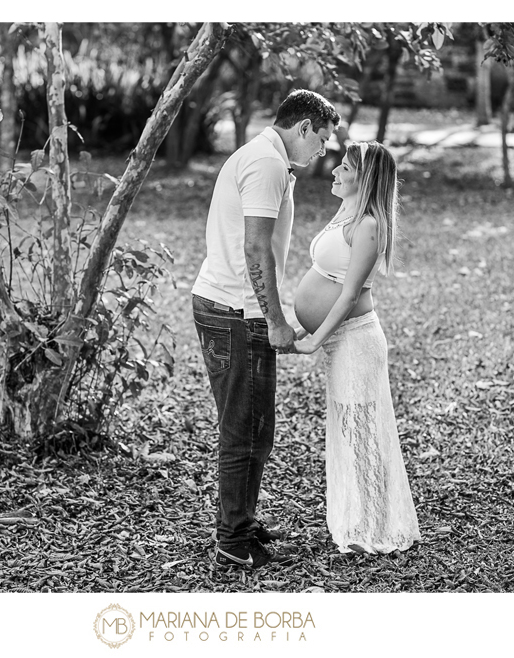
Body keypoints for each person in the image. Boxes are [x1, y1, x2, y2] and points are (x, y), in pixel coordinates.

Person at [192, 90, 340, 569]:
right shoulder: (267, 164)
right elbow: (256, 249)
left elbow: (259, 246)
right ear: (302, 127)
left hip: (231, 304)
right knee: (244, 429)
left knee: (256, 426)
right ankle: (233, 540)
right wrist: (274, 320)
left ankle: (243, 519)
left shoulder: (266, 158)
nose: (321, 151)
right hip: (235, 311)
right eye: (320, 140)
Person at [293, 141, 421, 555]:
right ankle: (361, 517)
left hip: (356, 341)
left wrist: (316, 338)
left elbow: (348, 295)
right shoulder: (346, 212)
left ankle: (375, 524)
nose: (334, 172)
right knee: (350, 429)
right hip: (341, 342)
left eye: (344, 168)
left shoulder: (368, 224)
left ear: (363, 178)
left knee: (362, 431)